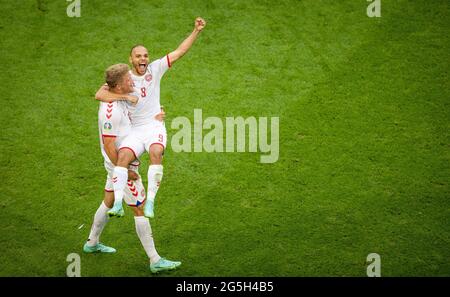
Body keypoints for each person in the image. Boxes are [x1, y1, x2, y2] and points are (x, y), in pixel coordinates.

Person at [95, 17, 206, 219]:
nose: (143, 59)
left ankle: (151, 203)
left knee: (156, 152)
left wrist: (196, 31)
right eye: (138, 56)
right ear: (131, 59)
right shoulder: (124, 79)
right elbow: (99, 94)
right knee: (122, 159)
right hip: (135, 130)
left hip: (154, 126)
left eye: (145, 55)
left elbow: (179, 52)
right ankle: (118, 204)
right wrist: (126, 96)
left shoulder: (155, 69)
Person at [84, 63, 181, 273]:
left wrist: (154, 117)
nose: (132, 81)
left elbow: (105, 93)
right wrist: (125, 169)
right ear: (118, 86)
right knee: (139, 208)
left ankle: (92, 242)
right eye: (128, 80)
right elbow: (109, 146)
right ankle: (155, 260)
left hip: (119, 162)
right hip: (119, 165)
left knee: (108, 199)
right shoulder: (110, 113)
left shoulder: (118, 96)